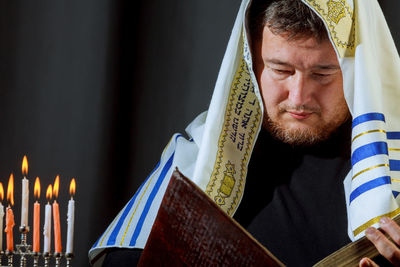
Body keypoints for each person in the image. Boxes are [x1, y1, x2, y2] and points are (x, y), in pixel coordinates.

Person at [89, 0, 400, 266]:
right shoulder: (198, 160)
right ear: (251, 58)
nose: (299, 97)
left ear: (357, 68)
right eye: (281, 70)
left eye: (322, 74)